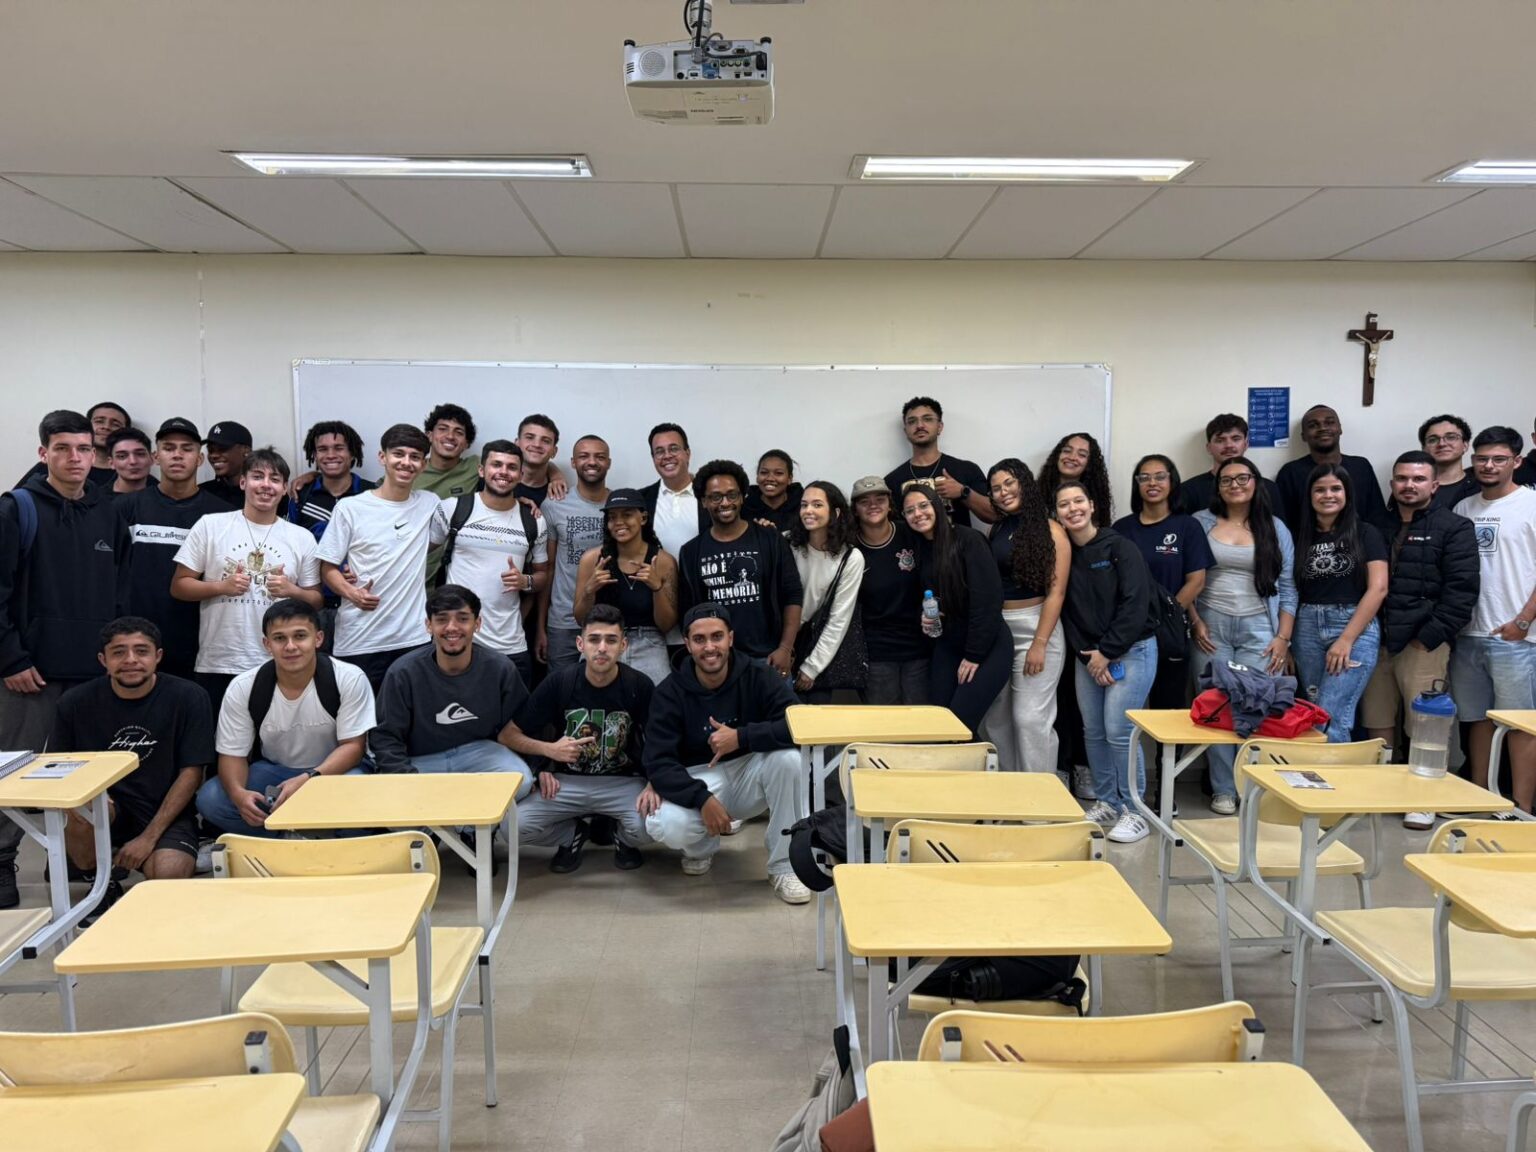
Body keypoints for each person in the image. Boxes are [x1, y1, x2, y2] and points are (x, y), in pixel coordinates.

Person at [0, 410, 129, 909]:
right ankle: (2, 859)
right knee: (13, 772)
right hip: (28, 674)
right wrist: (11, 659)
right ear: (43, 453)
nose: (75, 458)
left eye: (83, 449)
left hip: (93, 674)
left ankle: (86, 866)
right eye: (62, 449)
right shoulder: (18, 509)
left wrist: (115, 658)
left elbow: (120, 592)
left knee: (87, 778)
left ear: (94, 455)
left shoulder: (108, 512)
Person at [642, 604, 808, 903]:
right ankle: (700, 848)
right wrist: (701, 799)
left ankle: (784, 866)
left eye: (717, 637)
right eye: (699, 639)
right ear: (688, 644)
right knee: (664, 824)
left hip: (749, 770)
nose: (709, 647)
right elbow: (658, 762)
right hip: (699, 776)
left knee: (789, 761)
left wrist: (741, 737)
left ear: (730, 638)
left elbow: (799, 724)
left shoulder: (758, 675)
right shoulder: (669, 692)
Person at [52, 618, 211, 913]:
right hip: (106, 808)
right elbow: (60, 768)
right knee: (85, 809)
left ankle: (125, 860)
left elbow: (192, 773)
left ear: (158, 656)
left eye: (141, 651)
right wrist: (92, 798)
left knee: (168, 874)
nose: (130, 660)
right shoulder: (74, 702)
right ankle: (99, 880)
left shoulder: (189, 697)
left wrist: (148, 838)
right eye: (119, 652)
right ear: (103, 660)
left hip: (164, 811)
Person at [1363, 451, 1479, 830]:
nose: (1408, 485)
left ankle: (1422, 800)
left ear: (1434, 485)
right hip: (1377, 639)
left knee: (1425, 725)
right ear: (1392, 483)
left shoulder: (1455, 528)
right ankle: (1382, 791)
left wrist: (1428, 638)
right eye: (1402, 479)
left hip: (1424, 643)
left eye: (1417, 479)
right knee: (1378, 720)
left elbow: (1462, 592)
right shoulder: (1373, 526)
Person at [195, 599, 375, 838]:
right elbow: (232, 755)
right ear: (267, 644)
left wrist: (309, 778)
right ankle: (288, 840)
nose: (290, 646)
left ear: (318, 639)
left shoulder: (348, 677)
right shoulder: (244, 686)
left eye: (300, 636)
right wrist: (239, 795)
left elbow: (353, 747)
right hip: (275, 773)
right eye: (280, 638)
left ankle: (329, 842)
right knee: (211, 798)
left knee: (358, 792)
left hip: (334, 772)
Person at [172, 448, 323, 715]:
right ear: (243, 482)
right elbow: (179, 586)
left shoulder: (301, 537)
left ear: (284, 489)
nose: (266, 485)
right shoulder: (211, 526)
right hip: (220, 661)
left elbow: (317, 600)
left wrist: (291, 590)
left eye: (274, 479)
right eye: (257, 476)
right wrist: (221, 587)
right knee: (221, 738)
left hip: (280, 661)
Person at [506, 605, 657, 872]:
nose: (602, 648)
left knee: (656, 824)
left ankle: (622, 837)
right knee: (510, 827)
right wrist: (548, 751)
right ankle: (572, 834)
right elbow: (508, 734)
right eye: (594, 639)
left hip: (623, 781)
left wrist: (654, 783)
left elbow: (660, 739)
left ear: (623, 645)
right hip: (564, 782)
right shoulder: (559, 683)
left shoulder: (639, 685)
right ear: (580, 644)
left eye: (611, 640)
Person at [1187, 457, 1297, 814]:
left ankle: (1251, 790)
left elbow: (1288, 586)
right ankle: (1223, 789)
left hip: (1260, 629)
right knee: (1216, 705)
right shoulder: (1200, 522)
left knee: (1256, 705)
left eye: (1242, 478)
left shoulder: (1275, 528)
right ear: (1217, 487)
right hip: (1210, 627)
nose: (1234, 485)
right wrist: (1194, 620)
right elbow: (1187, 577)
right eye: (1226, 480)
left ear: (1256, 482)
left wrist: (1283, 638)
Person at [1054, 480, 1159, 844]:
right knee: (1094, 732)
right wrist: (1091, 656)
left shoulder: (1120, 547)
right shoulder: (1065, 554)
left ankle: (1136, 811)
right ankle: (1107, 801)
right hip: (1089, 657)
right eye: (1064, 504)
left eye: (1078, 501)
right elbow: (1068, 611)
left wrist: (1107, 653)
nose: (1073, 509)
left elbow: (1135, 603)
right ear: (1057, 514)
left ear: (1092, 505)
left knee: (1119, 732)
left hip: (1131, 650)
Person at [370, 586, 532, 790]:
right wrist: (406, 780)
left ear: (477, 624)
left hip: (480, 753)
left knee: (523, 782)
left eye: (463, 619)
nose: (452, 627)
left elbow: (522, 725)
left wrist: (535, 766)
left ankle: (462, 811)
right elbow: (385, 736)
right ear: (428, 625)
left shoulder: (500, 668)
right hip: (420, 759)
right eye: (441, 619)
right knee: (395, 799)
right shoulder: (403, 672)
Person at [317, 424, 438, 692]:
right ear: (383, 457)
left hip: (413, 638)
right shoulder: (350, 508)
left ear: (424, 464)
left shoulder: (429, 503)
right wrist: (352, 592)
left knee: (409, 714)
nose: (406, 462)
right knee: (359, 715)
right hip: (360, 639)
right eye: (399, 454)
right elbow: (327, 567)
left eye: (415, 457)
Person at [1452, 426, 1536, 814]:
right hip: (1469, 634)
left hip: (1515, 637)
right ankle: (1481, 800)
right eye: (1482, 458)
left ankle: (1521, 808)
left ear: (1516, 462)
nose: (1489, 465)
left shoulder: (1531, 505)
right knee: (1476, 721)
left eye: (1499, 459)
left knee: (1519, 724)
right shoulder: (1463, 508)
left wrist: (1523, 621)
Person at [117, 418, 231, 679]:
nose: (177, 455)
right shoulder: (125, 508)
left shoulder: (222, 515)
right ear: (156, 457)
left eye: (186, 449)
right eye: (169, 448)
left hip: (200, 643)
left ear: (200, 459)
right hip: (137, 641)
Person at [431, 440, 550, 684]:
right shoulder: (453, 509)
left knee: (512, 708)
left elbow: (542, 576)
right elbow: (415, 552)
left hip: (509, 643)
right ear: (481, 470)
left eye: (512, 467)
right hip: (457, 640)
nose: (503, 472)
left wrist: (525, 581)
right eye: (496, 465)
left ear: (520, 475)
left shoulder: (534, 521)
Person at [901, 483, 1010, 737]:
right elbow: (928, 596)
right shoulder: (919, 548)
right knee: (940, 725)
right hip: (949, 643)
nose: (918, 514)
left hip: (986, 645)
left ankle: (981, 763)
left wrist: (974, 655)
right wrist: (926, 616)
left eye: (923, 506)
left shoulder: (968, 539)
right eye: (910, 511)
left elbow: (988, 602)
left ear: (937, 506)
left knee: (960, 725)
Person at [981, 459, 1069, 773]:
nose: (1003, 492)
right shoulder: (996, 528)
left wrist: (1039, 643)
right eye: (996, 488)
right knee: (996, 718)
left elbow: (1057, 592)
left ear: (1025, 483)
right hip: (1000, 631)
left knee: (1030, 719)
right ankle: (1011, 789)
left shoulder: (1052, 530)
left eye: (1009, 483)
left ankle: (1040, 794)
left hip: (1036, 627)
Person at [678, 459, 803, 675]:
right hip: (717, 661)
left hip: (769, 658)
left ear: (743, 497)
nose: (725, 502)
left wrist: (785, 648)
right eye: (716, 497)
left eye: (732, 495)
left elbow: (792, 594)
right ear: (704, 501)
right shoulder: (690, 552)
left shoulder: (770, 539)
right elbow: (689, 611)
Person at [1291, 464, 1388, 743]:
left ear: (1347, 494)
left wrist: (1346, 639)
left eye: (1336, 488)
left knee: (1331, 716)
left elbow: (1378, 588)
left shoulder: (1366, 532)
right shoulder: (1299, 536)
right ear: (1309, 495)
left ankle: (1334, 772)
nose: (1328, 495)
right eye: (1319, 490)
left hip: (1352, 625)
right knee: (1313, 714)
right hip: (1306, 627)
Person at [1113, 455, 1213, 712]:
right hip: (1129, 630)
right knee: (1125, 711)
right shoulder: (1121, 529)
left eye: (1160, 477)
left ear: (1172, 482)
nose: (1152, 483)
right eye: (1144, 478)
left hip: (1169, 629)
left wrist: (1164, 615)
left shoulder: (1188, 526)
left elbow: (1196, 581)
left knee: (1167, 710)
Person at [572, 489, 677, 684]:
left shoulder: (662, 561)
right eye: (612, 517)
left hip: (648, 641)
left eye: (627, 515)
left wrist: (657, 588)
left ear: (643, 518)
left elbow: (666, 625)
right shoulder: (592, 559)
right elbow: (580, 619)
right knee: (589, 693)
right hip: (602, 638)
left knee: (659, 696)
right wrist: (589, 591)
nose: (618, 522)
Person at [850, 476, 929, 705]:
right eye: (864, 501)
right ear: (855, 509)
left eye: (880, 499)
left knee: (922, 719)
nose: (873, 505)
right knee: (884, 722)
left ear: (890, 504)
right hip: (876, 653)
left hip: (919, 648)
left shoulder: (911, 533)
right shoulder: (850, 548)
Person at [537, 435, 612, 672]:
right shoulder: (554, 504)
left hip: (609, 620)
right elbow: (548, 568)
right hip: (563, 622)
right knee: (562, 689)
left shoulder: (620, 506)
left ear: (608, 463)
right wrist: (540, 627)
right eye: (584, 456)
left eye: (600, 457)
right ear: (573, 462)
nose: (592, 462)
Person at [788, 481, 865, 703]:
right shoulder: (787, 543)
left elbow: (839, 619)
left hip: (813, 644)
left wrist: (812, 667)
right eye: (804, 505)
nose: (808, 510)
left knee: (813, 717)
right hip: (779, 643)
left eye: (817, 504)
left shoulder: (850, 557)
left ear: (836, 512)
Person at [1274, 404, 1389, 534]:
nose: (1322, 428)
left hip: (1359, 543)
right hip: (1308, 545)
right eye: (1313, 425)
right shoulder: (1290, 473)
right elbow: (1283, 525)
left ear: (1340, 429)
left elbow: (1377, 516)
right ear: (1304, 436)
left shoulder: (1361, 467)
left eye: (1329, 423)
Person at [883, 396, 994, 528]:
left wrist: (963, 492)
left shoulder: (966, 469)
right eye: (912, 421)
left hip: (959, 541)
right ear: (906, 431)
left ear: (940, 427)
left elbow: (993, 515)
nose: (919, 425)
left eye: (927, 419)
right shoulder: (892, 481)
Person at [1178, 414, 1283, 515]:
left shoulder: (1268, 488)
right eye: (1220, 440)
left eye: (1236, 439)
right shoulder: (1188, 490)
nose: (1229, 445)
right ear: (1209, 448)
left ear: (1246, 444)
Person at [288, 420, 374, 539]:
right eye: (322, 449)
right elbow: (290, 541)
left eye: (339, 448)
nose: (330, 455)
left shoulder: (372, 494)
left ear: (352, 453)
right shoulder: (301, 495)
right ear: (315, 455)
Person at [19, 401, 124, 490]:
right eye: (99, 421)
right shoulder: (48, 466)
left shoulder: (126, 473)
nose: (106, 427)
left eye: (115, 424)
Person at [640, 423, 708, 554]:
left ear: (687, 454)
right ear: (653, 458)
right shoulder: (641, 500)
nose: (667, 456)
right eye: (659, 451)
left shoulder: (709, 495)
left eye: (674, 449)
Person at [1038, 433, 1113, 527]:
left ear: (1089, 464)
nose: (1072, 457)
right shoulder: (1036, 492)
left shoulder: (1096, 498)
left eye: (1082, 455)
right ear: (1058, 455)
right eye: (1067, 451)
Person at [414, 402, 480, 499]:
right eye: (443, 429)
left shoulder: (475, 466)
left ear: (467, 443)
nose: (450, 436)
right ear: (429, 436)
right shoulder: (412, 469)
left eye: (459, 432)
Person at [1417, 414, 1482, 511]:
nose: (1442, 444)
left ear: (1465, 445)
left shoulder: (1482, 485)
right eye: (1433, 440)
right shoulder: (1413, 486)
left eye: (1451, 437)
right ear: (1424, 449)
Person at [513, 414, 569, 507]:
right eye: (529, 437)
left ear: (554, 451)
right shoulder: (498, 482)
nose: (537, 445)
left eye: (546, 441)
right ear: (517, 443)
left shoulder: (559, 493)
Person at [743, 450, 804, 533]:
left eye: (778, 473)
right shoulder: (744, 509)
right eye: (764, 472)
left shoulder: (803, 507)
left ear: (790, 478)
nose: (770, 478)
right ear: (757, 477)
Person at [200, 421, 253, 508]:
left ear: (246, 451)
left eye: (222, 449)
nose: (214, 455)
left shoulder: (263, 493)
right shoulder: (202, 494)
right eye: (211, 450)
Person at [106, 427, 153, 495]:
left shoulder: (165, 496)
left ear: (152, 458)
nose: (133, 461)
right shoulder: (97, 499)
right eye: (122, 456)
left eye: (140, 454)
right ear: (111, 463)